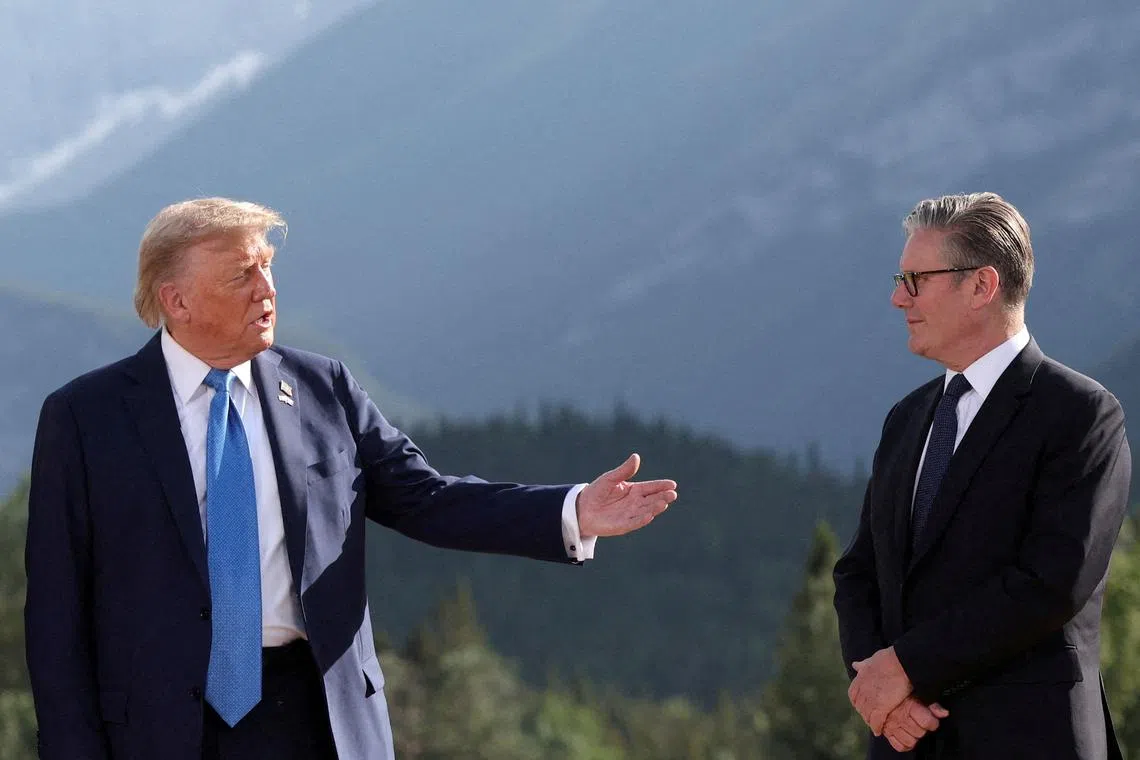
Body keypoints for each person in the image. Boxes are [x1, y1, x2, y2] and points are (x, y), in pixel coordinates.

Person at [24, 198, 679, 760]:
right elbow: (56, 619)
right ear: (177, 300)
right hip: (163, 732)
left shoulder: (322, 389)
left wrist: (574, 513)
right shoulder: (86, 418)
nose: (267, 289)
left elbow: (429, 500)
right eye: (241, 274)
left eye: (268, 267)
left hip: (318, 717)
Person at [833, 192, 1130, 759]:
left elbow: (1050, 583)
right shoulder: (907, 419)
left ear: (982, 286)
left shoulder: (1081, 415)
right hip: (906, 740)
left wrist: (905, 667)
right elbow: (858, 574)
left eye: (916, 279)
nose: (898, 298)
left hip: (1030, 740)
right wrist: (883, 696)